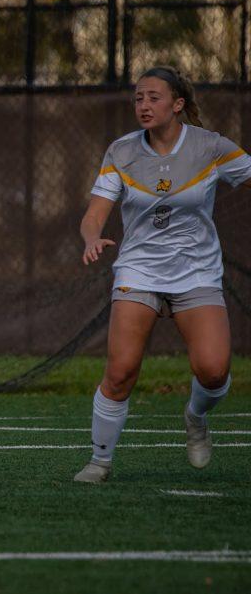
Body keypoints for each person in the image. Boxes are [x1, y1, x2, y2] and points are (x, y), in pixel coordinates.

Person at [74, 66, 251, 483]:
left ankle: (195, 417)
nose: (144, 105)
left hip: (197, 273)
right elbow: (93, 216)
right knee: (120, 371)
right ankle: (100, 461)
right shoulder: (121, 151)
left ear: (178, 104)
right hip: (139, 270)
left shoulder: (211, 147)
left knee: (213, 371)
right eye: (138, 98)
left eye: (153, 97)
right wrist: (91, 238)